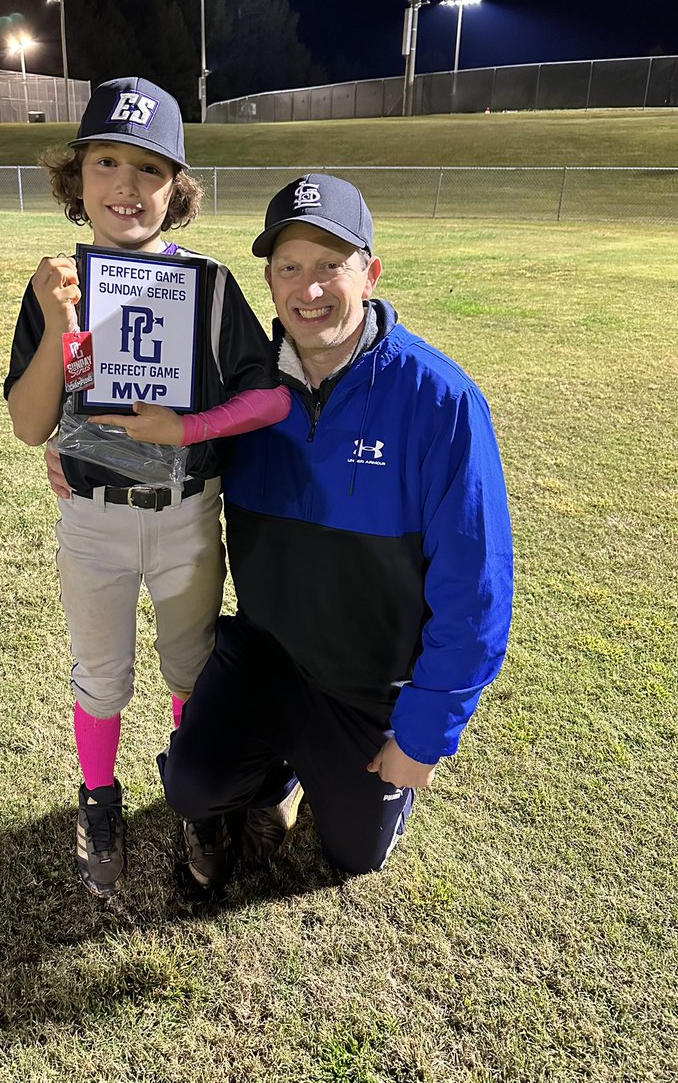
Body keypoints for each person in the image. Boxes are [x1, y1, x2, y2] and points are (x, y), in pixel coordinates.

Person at [156, 173, 514, 889]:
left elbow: (476, 596)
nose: (309, 289)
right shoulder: (238, 389)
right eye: (290, 266)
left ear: (370, 273)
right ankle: (276, 777)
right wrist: (78, 461)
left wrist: (421, 738)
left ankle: (331, 780)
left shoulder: (438, 399)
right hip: (266, 659)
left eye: (331, 265)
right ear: (269, 278)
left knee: (355, 855)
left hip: (368, 686)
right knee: (192, 786)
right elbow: (161, 446)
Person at [4, 77, 290, 897]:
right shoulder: (59, 283)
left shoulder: (205, 285)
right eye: (105, 163)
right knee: (99, 674)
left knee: (190, 672)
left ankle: (191, 798)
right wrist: (59, 326)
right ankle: (99, 798)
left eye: (149, 170)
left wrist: (188, 429)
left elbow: (266, 393)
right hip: (93, 515)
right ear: (76, 177)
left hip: (185, 513)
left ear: (178, 188)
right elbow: (30, 426)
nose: (125, 186)